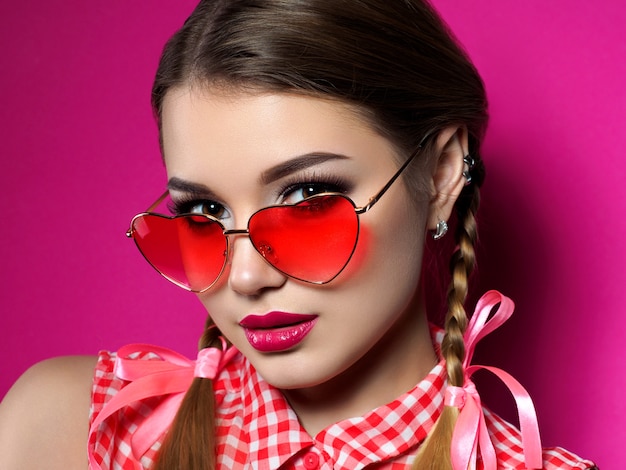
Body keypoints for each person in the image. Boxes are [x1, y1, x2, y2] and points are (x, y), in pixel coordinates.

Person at [0, 1, 598, 469]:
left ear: (441, 172)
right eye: (205, 210)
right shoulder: (75, 430)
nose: (246, 275)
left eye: (308, 196)